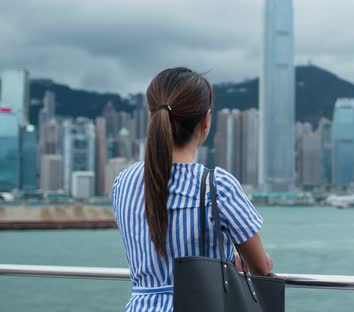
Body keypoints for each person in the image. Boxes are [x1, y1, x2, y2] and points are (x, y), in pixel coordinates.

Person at [112, 67, 273, 311]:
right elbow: (261, 267)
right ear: (206, 119)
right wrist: (228, 261)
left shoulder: (122, 182)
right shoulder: (217, 185)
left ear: (151, 115)